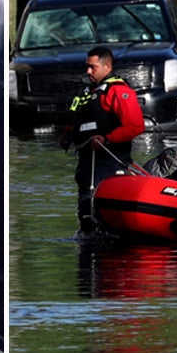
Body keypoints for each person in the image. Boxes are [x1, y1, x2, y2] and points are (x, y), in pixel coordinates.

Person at [63, 44, 148, 229]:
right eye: (87, 66)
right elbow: (76, 119)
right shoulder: (86, 93)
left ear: (107, 67)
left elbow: (135, 126)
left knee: (101, 202)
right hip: (87, 162)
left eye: (93, 67)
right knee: (85, 204)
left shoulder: (118, 92)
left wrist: (107, 139)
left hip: (110, 161)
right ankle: (87, 234)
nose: (88, 71)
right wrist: (67, 135)